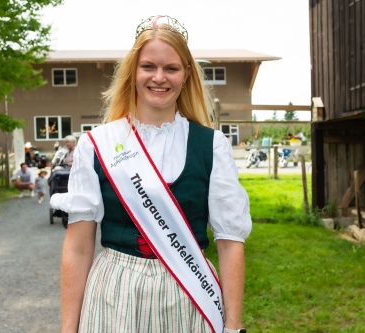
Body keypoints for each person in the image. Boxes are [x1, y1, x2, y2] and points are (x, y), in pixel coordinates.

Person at [51, 15, 251, 333]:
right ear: (133, 72)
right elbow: (77, 246)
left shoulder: (211, 146)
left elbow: (229, 242)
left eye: (171, 68)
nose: (159, 77)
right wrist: (68, 329)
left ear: (186, 74)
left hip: (188, 294)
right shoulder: (97, 144)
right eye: (148, 66)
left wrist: (233, 326)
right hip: (113, 295)